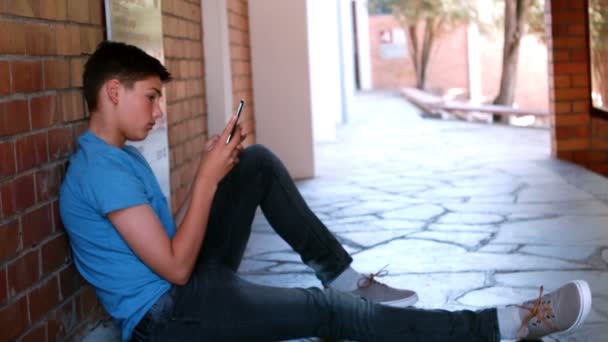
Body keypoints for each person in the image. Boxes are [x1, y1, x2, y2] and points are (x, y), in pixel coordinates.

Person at [59, 41, 592, 342]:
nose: (158, 112)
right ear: (112, 91)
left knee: (256, 164)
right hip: (170, 317)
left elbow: (168, 247)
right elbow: (174, 269)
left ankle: (342, 273)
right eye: (151, 97)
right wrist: (204, 179)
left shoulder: (117, 157)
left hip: (181, 286)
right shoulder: (103, 171)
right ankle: (508, 323)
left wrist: (214, 172)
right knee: (327, 313)